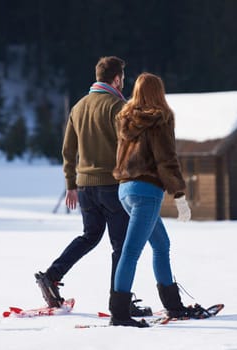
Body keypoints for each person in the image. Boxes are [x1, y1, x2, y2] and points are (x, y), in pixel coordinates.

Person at [35, 57, 151, 317]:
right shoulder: (117, 105)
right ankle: (120, 302)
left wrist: (70, 185)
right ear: (117, 79)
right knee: (121, 246)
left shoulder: (78, 107)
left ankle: (52, 276)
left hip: (85, 187)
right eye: (122, 78)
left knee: (90, 236)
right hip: (112, 187)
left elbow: (68, 151)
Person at [110, 72, 206, 327]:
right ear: (158, 92)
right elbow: (166, 159)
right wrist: (180, 195)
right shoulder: (160, 118)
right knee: (131, 252)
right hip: (146, 192)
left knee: (162, 245)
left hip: (125, 191)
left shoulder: (125, 118)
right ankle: (119, 313)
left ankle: (173, 305)